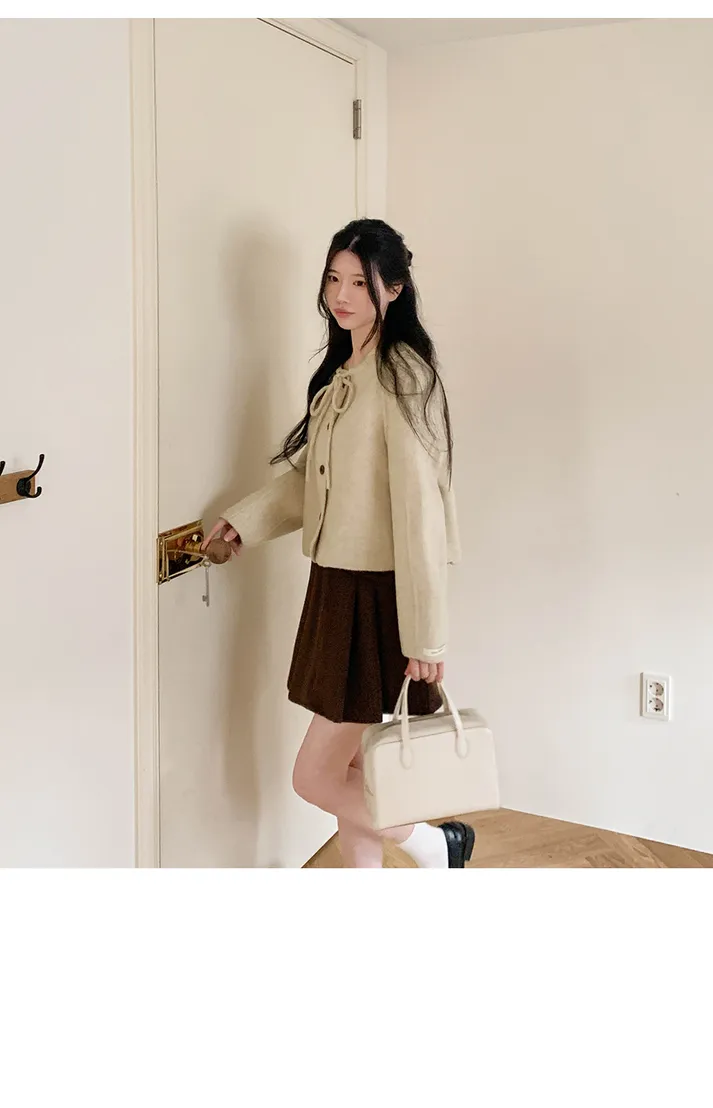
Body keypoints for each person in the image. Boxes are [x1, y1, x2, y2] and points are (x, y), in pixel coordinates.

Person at [203, 218, 473, 869]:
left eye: (359, 282)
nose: (342, 295)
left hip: (377, 597)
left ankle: (437, 846)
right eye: (334, 278)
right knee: (351, 770)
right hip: (336, 586)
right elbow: (313, 483)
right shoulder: (343, 375)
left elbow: (421, 514)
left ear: (395, 289)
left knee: (314, 775)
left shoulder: (402, 376)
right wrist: (245, 521)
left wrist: (426, 639)